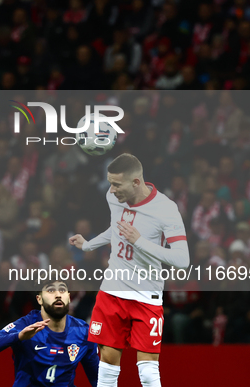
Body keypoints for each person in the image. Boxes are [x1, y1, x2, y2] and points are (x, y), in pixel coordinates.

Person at [70, 153, 189, 387]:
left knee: (147, 373)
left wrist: (139, 241)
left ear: (136, 182)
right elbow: (116, 228)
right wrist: (88, 244)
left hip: (146, 296)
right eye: (110, 183)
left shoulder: (166, 209)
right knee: (106, 367)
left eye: (116, 184)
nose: (111, 190)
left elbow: (182, 259)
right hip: (112, 292)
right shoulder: (113, 197)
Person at [0, 280, 99, 386]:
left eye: (62, 290)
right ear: (39, 299)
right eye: (50, 290)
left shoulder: (83, 332)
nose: (58, 295)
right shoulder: (25, 325)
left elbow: (97, 378)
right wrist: (18, 336)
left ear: (69, 297)